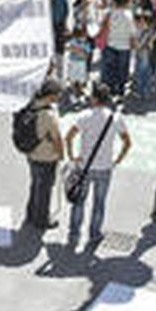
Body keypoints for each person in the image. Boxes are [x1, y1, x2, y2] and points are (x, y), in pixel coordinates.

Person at [64, 82, 131, 248]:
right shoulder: (115, 118)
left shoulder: (84, 116)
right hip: (105, 168)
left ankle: (74, 234)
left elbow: (69, 137)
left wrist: (73, 157)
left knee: (79, 201)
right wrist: (117, 160)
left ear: (94, 98)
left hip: (85, 166)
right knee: (99, 203)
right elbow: (127, 142)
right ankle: (94, 234)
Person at [24, 80, 65, 230]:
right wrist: (61, 154)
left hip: (31, 153)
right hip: (46, 157)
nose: (60, 96)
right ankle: (41, 220)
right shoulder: (48, 115)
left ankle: (30, 214)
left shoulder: (31, 105)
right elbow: (57, 139)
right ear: (51, 95)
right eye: (58, 94)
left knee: (35, 184)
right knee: (45, 189)